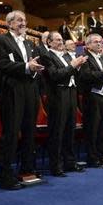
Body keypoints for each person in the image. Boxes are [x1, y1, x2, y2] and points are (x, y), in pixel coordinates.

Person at [0, 10, 44, 189]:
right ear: (9, 23)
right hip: (12, 91)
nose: (23, 23)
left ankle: (27, 170)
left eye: (25, 20)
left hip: (30, 90)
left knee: (30, 131)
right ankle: (6, 175)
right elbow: (4, 65)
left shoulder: (30, 43)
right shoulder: (1, 40)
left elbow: (31, 65)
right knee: (12, 133)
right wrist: (27, 66)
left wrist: (34, 67)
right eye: (19, 20)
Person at [40, 32, 87, 176]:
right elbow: (55, 75)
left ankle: (70, 162)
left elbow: (75, 75)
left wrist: (78, 67)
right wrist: (73, 65)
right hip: (58, 96)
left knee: (70, 129)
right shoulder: (47, 56)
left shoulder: (67, 56)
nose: (61, 42)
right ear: (49, 42)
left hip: (71, 93)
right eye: (57, 40)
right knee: (57, 131)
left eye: (62, 40)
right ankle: (56, 166)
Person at [79, 34, 103, 167]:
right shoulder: (84, 59)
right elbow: (86, 76)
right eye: (96, 42)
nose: (99, 44)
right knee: (93, 129)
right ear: (87, 45)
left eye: (100, 42)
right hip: (92, 97)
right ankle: (93, 158)